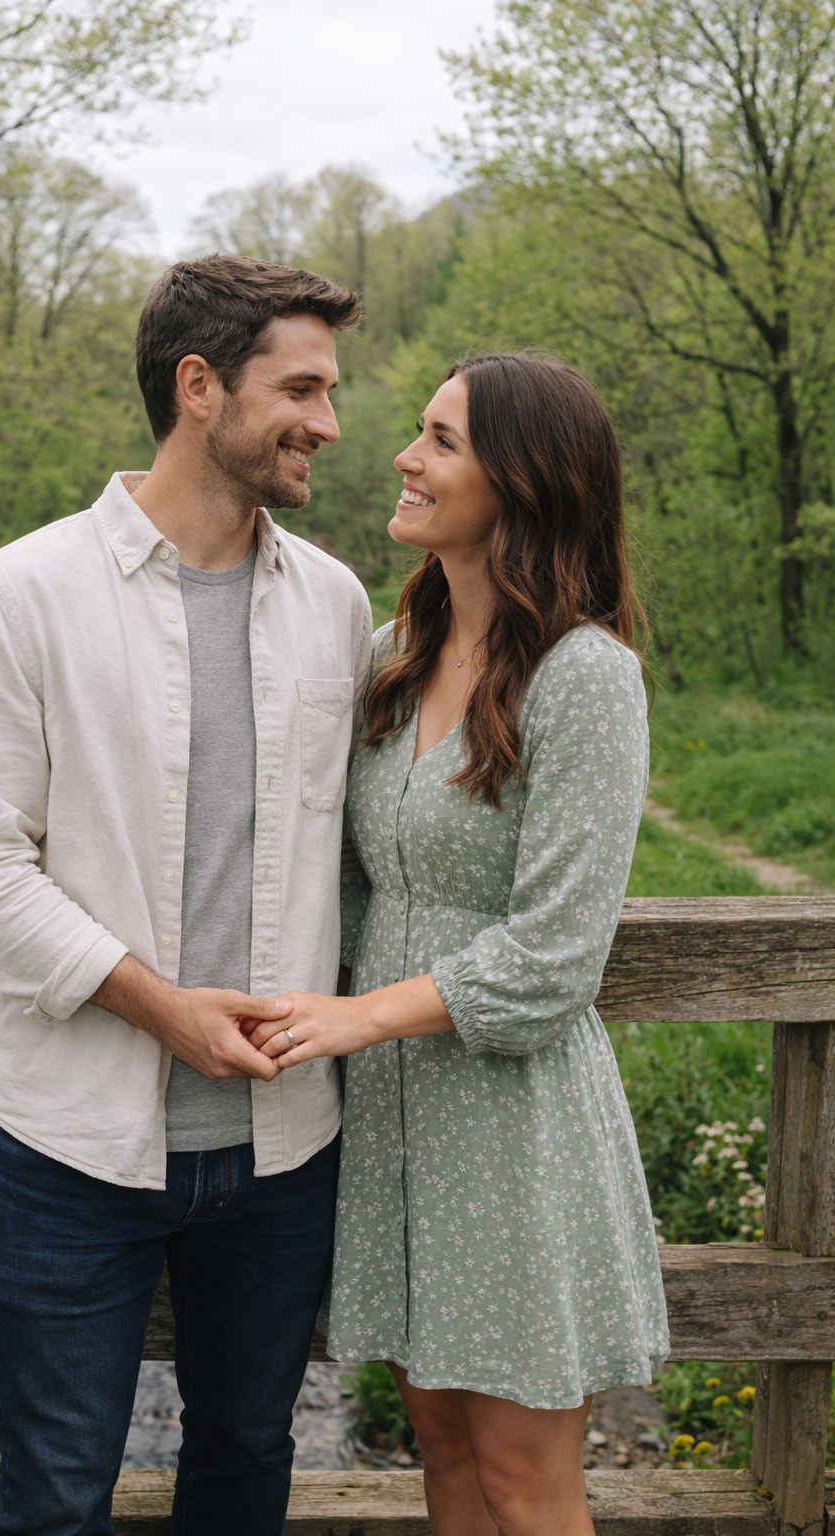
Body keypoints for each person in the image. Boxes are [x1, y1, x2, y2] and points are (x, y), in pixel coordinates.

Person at [0, 255, 373, 1536]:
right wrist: (159, 1007)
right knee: (57, 1493)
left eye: (329, 393)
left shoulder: (335, 604)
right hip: (69, 1147)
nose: (329, 426)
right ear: (198, 387)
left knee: (244, 1465)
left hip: (284, 1148)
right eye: (301, 389)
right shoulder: (25, 592)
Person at [245, 353, 670, 1536]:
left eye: (441, 440)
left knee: (523, 1476)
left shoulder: (585, 677)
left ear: (522, 482)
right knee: (438, 1449)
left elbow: (554, 959)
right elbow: (332, 873)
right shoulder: (391, 656)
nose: (401, 456)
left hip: (510, 1120)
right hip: (391, 1119)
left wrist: (354, 1016)